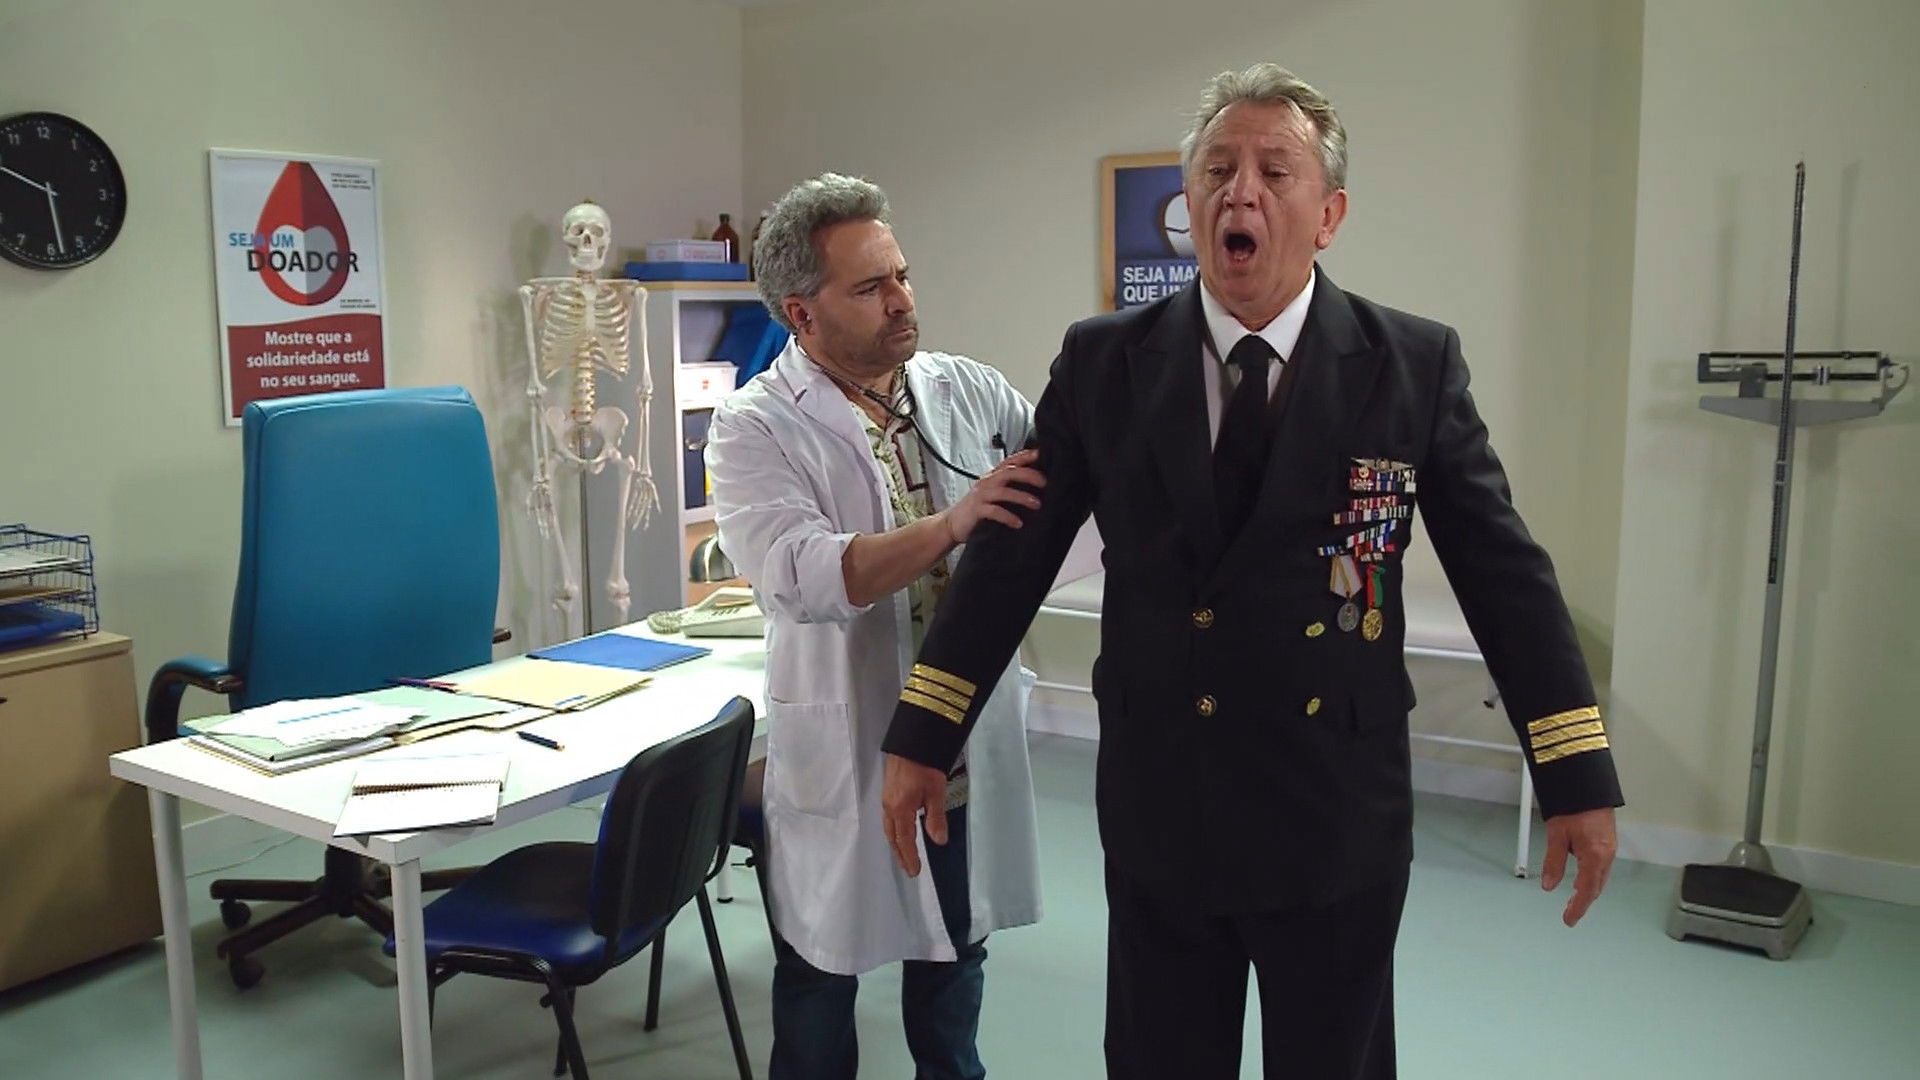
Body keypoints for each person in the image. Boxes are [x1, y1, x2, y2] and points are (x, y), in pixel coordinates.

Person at [878, 64, 1624, 1079]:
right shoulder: (1105, 361)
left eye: (1276, 171)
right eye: (1218, 170)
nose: (1242, 192)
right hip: (1163, 801)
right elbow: (1013, 555)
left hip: (1335, 808)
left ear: (1330, 215)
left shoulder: (1409, 364)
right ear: (1188, 204)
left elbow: (1504, 573)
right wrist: (926, 731)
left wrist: (1572, 768)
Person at [705, 172, 1046, 1080]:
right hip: (847, 745)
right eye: (869, 287)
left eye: (902, 275)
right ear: (801, 313)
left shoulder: (966, 389)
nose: (901, 300)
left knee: (955, 957)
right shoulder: (752, 427)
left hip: (956, 738)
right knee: (820, 979)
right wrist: (953, 524)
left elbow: (1059, 478)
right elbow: (801, 574)